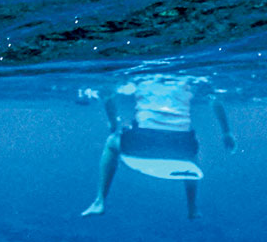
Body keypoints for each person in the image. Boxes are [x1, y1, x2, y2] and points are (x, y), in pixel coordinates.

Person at [81, 74, 233, 219]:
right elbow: (215, 100)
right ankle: (192, 207)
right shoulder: (189, 80)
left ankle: (100, 200)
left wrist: (113, 123)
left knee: (111, 143)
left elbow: (108, 93)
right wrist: (226, 132)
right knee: (192, 155)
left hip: (142, 143)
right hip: (180, 146)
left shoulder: (141, 78)